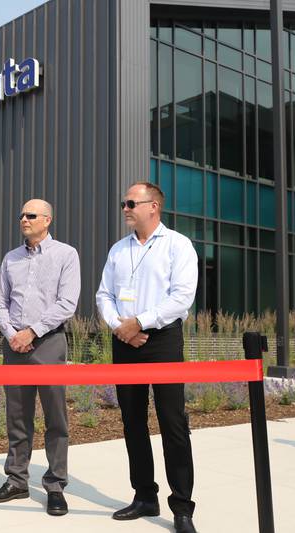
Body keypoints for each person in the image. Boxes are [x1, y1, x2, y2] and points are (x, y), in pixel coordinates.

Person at [96, 182, 198, 533]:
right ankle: (144, 496)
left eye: (130, 202)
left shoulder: (178, 245)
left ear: (153, 206)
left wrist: (140, 322)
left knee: (173, 423)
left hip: (163, 340)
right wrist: (119, 327)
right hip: (124, 341)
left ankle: (182, 508)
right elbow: (104, 294)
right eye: (123, 202)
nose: (124, 207)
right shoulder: (118, 250)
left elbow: (181, 298)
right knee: (132, 422)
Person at [0, 199, 80, 516]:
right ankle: (16, 480)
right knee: (17, 416)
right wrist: (13, 334)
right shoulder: (10, 259)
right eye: (21, 214)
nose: (23, 219)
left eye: (30, 215)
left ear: (47, 220)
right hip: (13, 345)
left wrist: (33, 332)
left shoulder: (66, 255)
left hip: (49, 342)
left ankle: (55, 486)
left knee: (56, 418)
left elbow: (67, 303)